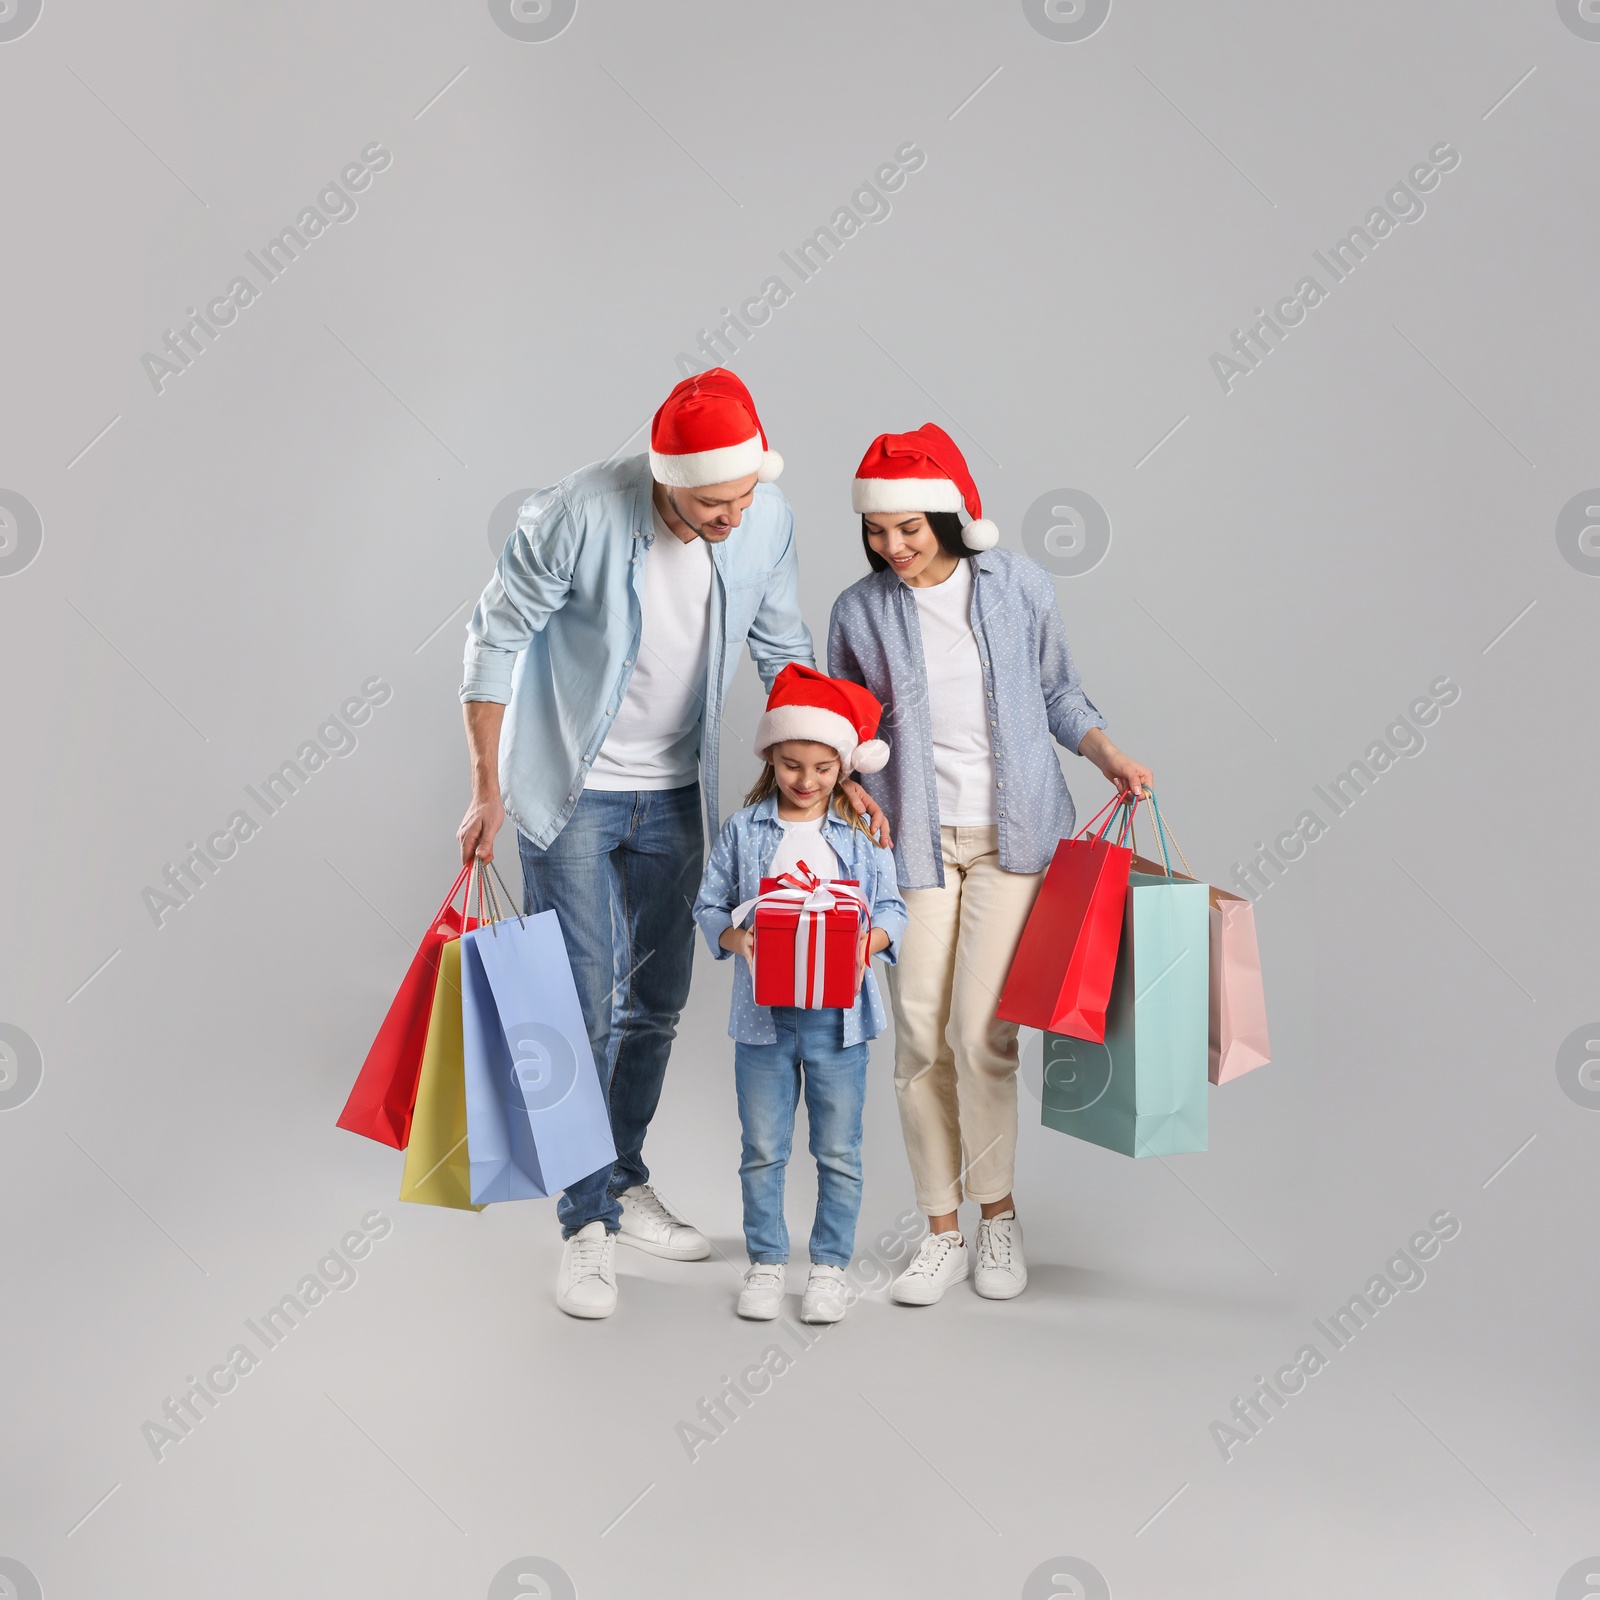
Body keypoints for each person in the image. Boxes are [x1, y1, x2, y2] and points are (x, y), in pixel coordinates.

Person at [457, 370, 887, 1320]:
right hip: (568, 790)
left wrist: (841, 766)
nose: (732, 517)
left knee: (654, 1001)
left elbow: (783, 651)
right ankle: (584, 1224)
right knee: (579, 1009)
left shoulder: (763, 520)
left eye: (742, 497)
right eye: (710, 502)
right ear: (665, 480)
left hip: (676, 792)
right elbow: (492, 639)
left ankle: (621, 1174)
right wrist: (486, 788)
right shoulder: (578, 512)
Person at [828, 425, 1153, 1306]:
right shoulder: (858, 613)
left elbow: (1056, 691)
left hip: (1014, 838)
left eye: (908, 529)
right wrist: (849, 787)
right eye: (876, 531)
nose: (891, 547)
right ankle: (940, 1233)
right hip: (917, 843)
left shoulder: (1018, 586)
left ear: (947, 515)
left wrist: (1104, 752)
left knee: (982, 1037)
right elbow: (848, 733)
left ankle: (997, 1217)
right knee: (918, 1042)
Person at [693, 666, 906, 1325]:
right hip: (763, 1019)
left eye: (820, 767)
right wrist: (738, 940)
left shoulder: (860, 836)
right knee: (763, 1147)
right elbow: (708, 907)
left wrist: (865, 943)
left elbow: (892, 909)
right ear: (770, 759)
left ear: (842, 766)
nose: (805, 781)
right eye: (790, 765)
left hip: (839, 1022)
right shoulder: (743, 831)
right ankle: (764, 1263)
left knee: (838, 1150)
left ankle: (829, 1269)